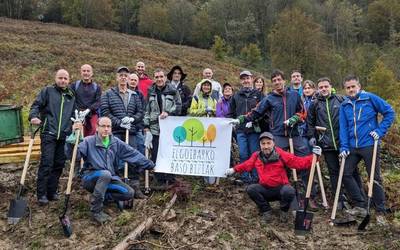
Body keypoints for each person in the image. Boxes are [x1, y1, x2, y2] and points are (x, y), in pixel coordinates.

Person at [225, 132, 322, 223]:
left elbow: (298, 162)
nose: (266, 146)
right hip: (265, 189)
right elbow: (246, 165)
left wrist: (315, 157)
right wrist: (234, 170)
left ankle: (283, 211)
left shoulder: (281, 154)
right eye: (263, 144)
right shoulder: (256, 156)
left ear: (273, 143)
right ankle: (266, 210)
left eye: (268, 143)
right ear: (260, 145)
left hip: (281, 189)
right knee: (251, 189)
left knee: (289, 191)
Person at [339, 75, 395, 225]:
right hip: (352, 146)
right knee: (345, 173)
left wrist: (380, 130)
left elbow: (390, 112)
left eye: (353, 86)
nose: (351, 90)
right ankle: (360, 205)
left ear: (359, 86)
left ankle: (380, 210)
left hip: (370, 144)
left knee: (374, 177)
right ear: (345, 89)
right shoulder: (344, 105)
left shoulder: (369, 98)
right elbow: (343, 128)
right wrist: (344, 146)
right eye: (348, 87)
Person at [76, 117, 154, 223]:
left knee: (129, 193)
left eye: (109, 126)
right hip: (90, 178)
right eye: (103, 126)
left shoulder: (115, 142)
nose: (106, 129)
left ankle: (103, 196)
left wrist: (150, 165)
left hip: (108, 178)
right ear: (97, 127)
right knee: (105, 174)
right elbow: (74, 156)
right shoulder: (88, 141)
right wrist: (72, 142)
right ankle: (96, 211)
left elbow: (132, 154)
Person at [29, 69, 76, 205]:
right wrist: (33, 116)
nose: (63, 81)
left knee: (59, 164)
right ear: (56, 78)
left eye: (65, 78)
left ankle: (52, 191)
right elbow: (36, 105)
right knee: (47, 163)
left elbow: (74, 113)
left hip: (63, 135)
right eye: (60, 78)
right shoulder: (48, 91)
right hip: (48, 132)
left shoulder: (71, 95)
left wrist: (76, 122)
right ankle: (41, 194)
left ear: (69, 80)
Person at [100, 66, 146, 199]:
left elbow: (140, 112)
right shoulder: (108, 94)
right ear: (117, 77)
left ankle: (134, 187)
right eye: (121, 75)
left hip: (130, 132)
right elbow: (105, 112)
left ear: (128, 78)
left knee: (133, 158)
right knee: (114, 159)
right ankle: (117, 188)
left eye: (125, 75)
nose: (123, 77)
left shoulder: (135, 95)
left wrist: (132, 119)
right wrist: (119, 122)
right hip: (115, 132)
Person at [306, 77, 351, 209]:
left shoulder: (341, 100)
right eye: (321, 87)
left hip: (343, 143)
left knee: (350, 171)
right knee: (334, 172)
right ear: (318, 89)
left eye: (326, 86)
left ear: (331, 86)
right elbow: (310, 123)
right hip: (326, 143)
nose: (324, 89)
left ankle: (356, 199)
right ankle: (339, 199)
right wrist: (311, 137)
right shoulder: (315, 104)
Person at [144, 68, 182, 186]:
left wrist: (168, 112)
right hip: (155, 129)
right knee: (156, 154)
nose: (159, 79)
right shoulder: (151, 91)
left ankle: (170, 178)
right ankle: (159, 179)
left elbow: (179, 106)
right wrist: (146, 127)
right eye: (157, 77)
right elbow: (147, 110)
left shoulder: (173, 90)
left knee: (170, 152)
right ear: (154, 79)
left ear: (165, 78)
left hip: (169, 129)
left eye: (161, 77)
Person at [227, 70, 263, 183]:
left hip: (254, 129)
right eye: (243, 79)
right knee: (243, 153)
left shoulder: (259, 95)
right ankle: (245, 176)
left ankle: (255, 177)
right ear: (241, 81)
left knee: (254, 153)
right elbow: (231, 112)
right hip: (241, 130)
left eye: (247, 78)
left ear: (252, 79)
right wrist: (232, 123)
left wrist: (256, 120)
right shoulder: (236, 96)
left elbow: (264, 111)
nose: (246, 80)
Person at [70, 64, 102, 136]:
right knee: (78, 134)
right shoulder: (74, 85)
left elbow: (98, 101)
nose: (86, 73)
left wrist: (88, 110)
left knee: (93, 131)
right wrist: (77, 111)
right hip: (78, 115)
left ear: (92, 73)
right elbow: (72, 100)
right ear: (81, 73)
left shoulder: (97, 87)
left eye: (88, 71)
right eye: (84, 71)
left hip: (92, 114)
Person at [128, 73, 146, 155]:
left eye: (135, 80)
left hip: (137, 125)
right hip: (125, 125)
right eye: (131, 80)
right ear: (128, 80)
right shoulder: (122, 92)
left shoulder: (140, 95)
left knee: (141, 145)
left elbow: (142, 110)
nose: (133, 82)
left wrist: (137, 123)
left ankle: (141, 166)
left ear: (138, 82)